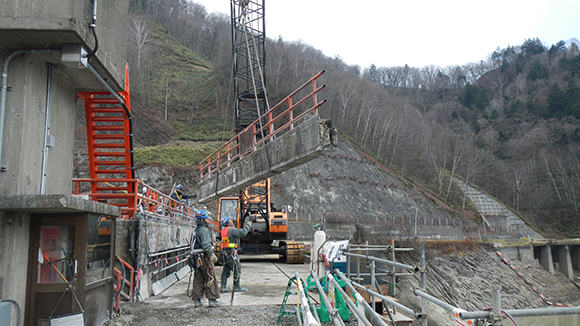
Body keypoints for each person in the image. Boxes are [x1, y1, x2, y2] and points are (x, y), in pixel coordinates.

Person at [191, 209, 221, 307]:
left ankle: (197, 300)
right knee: (210, 277)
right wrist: (211, 254)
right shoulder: (204, 230)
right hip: (204, 257)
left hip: (196, 258)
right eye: (207, 218)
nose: (209, 220)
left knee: (198, 279)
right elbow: (206, 244)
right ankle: (212, 300)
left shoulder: (196, 230)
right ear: (203, 219)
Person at [219, 216, 252, 293]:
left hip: (225, 253)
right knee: (237, 269)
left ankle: (223, 287)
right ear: (228, 223)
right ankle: (237, 287)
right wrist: (248, 226)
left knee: (226, 270)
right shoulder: (232, 230)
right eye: (230, 220)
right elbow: (242, 233)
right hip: (231, 253)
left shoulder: (223, 230)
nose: (232, 221)